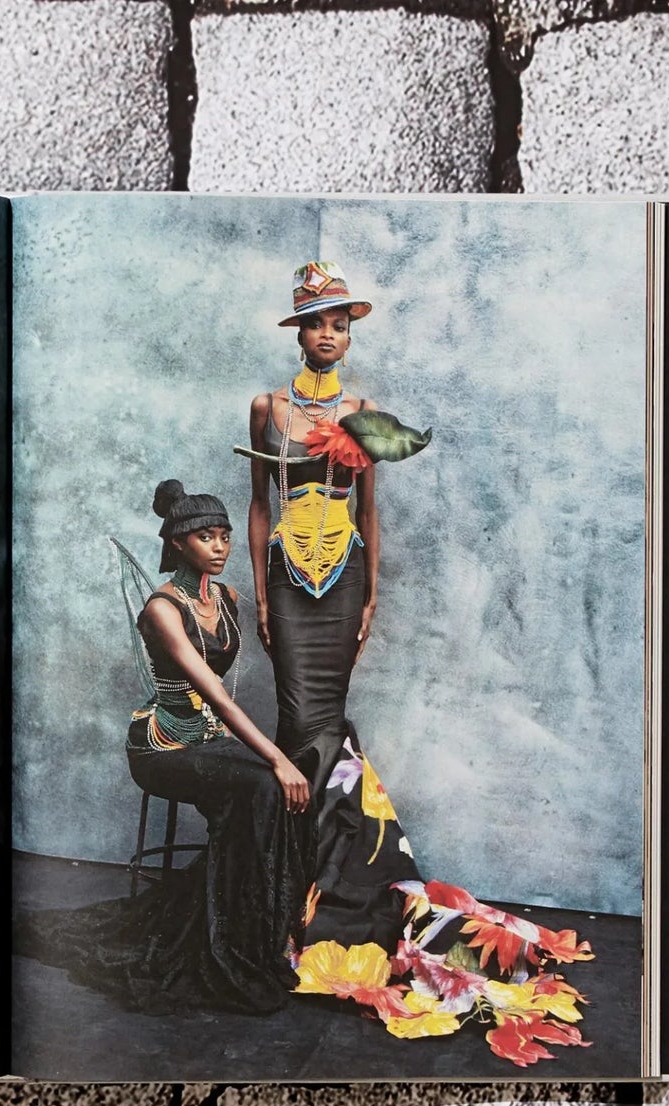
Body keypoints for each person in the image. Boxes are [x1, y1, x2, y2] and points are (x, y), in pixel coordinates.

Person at [16, 481, 316, 1015]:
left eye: (225, 536)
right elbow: (217, 697)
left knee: (277, 788)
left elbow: (228, 699)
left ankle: (255, 933)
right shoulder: (162, 608)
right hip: (162, 748)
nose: (220, 547)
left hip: (209, 737)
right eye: (206, 537)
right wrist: (275, 756)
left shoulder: (226, 600)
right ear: (178, 543)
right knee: (267, 781)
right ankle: (222, 939)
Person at [243, 261, 423, 952]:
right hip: (287, 577)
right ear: (298, 334)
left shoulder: (363, 412)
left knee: (328, 718)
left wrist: (372, 594)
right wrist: (262, 594)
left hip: (343, 576)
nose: (327, 334)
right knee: (298, 720)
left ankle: (332, 882)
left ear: (349, 337)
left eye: (339, 325)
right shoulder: (266, 408)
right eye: (316, 323)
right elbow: (259, 506)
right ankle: (286, 881)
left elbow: (369, 512)